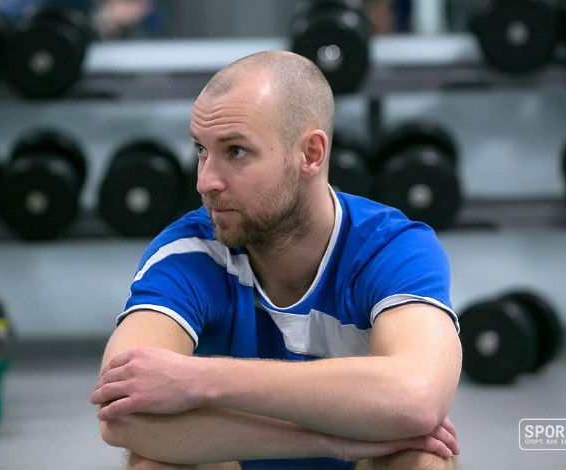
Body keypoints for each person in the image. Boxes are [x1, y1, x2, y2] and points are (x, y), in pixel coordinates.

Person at [90, 50, 462, 470]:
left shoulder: (390, 247)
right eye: (201, 149)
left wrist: (199, 379)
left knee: (422, 460)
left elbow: (418, 397)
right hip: (248, 461)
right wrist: (327, 442)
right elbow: (121, 414)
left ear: (311, 154)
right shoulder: (189, 250)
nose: (205, 181)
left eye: (236, 151)